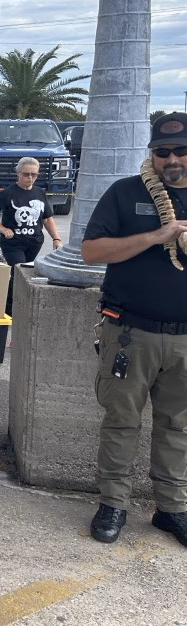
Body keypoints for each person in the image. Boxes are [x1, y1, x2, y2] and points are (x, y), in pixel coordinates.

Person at [81, 112, 187, 547]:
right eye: (162, 152)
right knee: (121, 422)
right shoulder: (126, 194)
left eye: (181, 150)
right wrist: (156, 235)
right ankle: (113, 504)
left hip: (184, 339)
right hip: (130, 334)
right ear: (152, 155)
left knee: (178, 426)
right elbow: (91, 251)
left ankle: (172, 508)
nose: (171, 159)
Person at [0, 157, 63, 314]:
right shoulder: (8, 193)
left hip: (34, 242)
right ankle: (8, 309)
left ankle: (19, 305)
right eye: (26, 174)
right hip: (13, 244)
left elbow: (47, 218)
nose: (30, 178)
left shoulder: (39, 193)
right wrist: (2, 229)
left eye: (34, 175)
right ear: (18, 174)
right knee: (20, 273)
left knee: (25, 275)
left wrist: (56, 238)